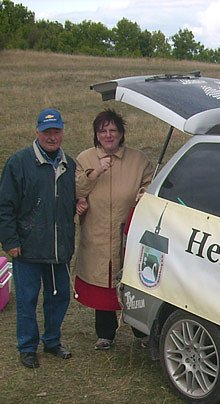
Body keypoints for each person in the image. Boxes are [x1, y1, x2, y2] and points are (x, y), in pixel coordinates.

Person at [0, 108, 76, 368]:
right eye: (46, 132)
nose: (52, 137)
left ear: (62, 132)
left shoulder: (69, 164)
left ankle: (52, 341)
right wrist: (11, 241)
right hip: (27, 248)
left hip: (58, 248)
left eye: (56, 131)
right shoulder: (18, 163)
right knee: (27, 300)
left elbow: (69, 202)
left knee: (59, 296)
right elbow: (5, 207)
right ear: (37, 132)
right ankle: (27, 347)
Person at [74, 109, 153, 350]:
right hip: (97, 233)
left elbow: (150, 186)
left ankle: (142, 333)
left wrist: (143, 195)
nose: (108, 135)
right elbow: (76, 190)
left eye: (113, 130)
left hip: (129, 234)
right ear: (96, 135)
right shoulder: (85, 159)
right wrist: (96, 171)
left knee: (133, 282)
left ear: (121, 134)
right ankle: (105, 334)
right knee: (102, 280)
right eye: (103, 131)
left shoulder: (139, 160)